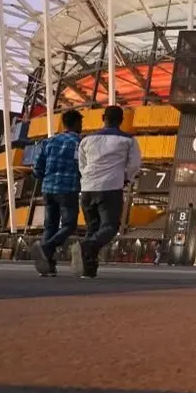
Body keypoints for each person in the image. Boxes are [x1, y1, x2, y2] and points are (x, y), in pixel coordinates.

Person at [74, 106, 141, 279]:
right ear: (122, 120)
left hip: (87, 188)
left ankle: (89, 271)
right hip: (111, 188)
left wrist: (87, 179)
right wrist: (126, 178)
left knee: (92, 228)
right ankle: (89, 245)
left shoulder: (86, 140)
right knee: (110, 227)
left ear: (103, 117)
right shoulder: (128, 140)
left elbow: (82, 165)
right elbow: (134, 164)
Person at [29, 110, 83, 277]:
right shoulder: (80, 142)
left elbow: (37, 167)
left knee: (50, 226)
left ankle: (49, 266)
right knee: (69, 225)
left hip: (48, 189)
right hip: (68, 189)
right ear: (76, 123)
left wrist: (44, 178)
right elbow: (84, 166)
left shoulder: (49, 141)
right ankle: (46, 247)